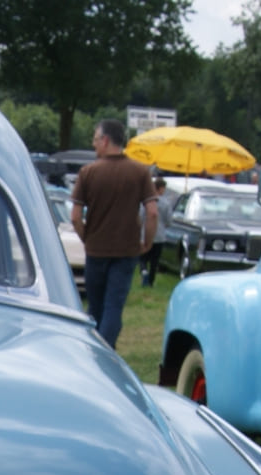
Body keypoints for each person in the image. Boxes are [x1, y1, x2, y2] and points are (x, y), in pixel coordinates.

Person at [70, 119, 157, 349]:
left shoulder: (88, 173)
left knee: (95, 307)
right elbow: (153, 212)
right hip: (127, 250)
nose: (94, 144)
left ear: (106, 140)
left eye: (96, 139)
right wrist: (146, 242)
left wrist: (86, 238)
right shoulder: (140, 172)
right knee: (114, 306)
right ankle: (106, 350)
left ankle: (93, 350)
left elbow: (75, 217)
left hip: (96, 249)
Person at [140, 177, 175, 288]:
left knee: (142, 257)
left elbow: (140, 216)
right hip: (159, 235)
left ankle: (144, 271)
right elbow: (169, 220)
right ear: (160, 189)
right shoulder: (166, 203)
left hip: (145, 233)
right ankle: (151, 281)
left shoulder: (144, 201)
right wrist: (166, 225)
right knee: (155, 260)